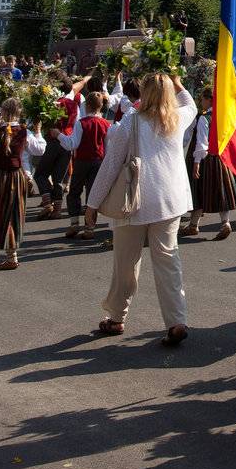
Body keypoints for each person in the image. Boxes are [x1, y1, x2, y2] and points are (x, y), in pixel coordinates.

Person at [84, 70, 197, 345]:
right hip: (170, 200)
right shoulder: (177, 119)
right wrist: (179, 83)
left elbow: (111, 165)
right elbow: (190, 104)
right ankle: (176, 320)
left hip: (134, 201)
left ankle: (117, 316)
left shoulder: (131, 122)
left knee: (126, 261)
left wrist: (93, 204)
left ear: (144, 93)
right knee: (168, 261)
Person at [183, 86, 236, 241]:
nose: (201, 102)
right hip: (221, 158)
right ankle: (224, 223)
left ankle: (194, 225)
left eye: (202, 99)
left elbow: (202, 143)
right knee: (220, 191)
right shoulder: (223, 116)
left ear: (209, 99)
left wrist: (196, 163)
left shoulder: (204, 118)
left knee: (199, 191)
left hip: (205, 160)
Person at [59, 90, 110, 238]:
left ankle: (74, 223)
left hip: (82, 161)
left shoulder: (81, 123)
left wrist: (59, 135)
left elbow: (72, 143)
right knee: (92, 195)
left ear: (86, 105)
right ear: (101, 107)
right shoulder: (106, 124)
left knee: (74, 191)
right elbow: (107, 146)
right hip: (98, 162)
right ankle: (90, 227)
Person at [0, 96, 29, 270]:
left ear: (3, 111)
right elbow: (38, 150)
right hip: (18, 176)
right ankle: (11, 255)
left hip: (0, 176)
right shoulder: (24, 130)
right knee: (13, 213)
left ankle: (11, 257)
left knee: (0, 213)